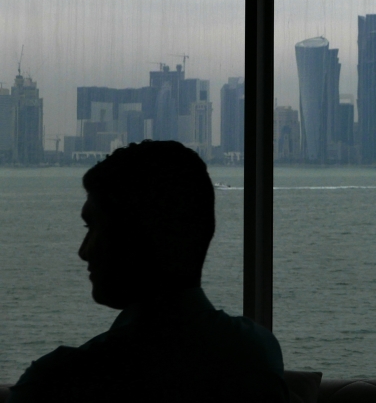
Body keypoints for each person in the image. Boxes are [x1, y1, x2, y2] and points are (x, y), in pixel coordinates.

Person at [9, 141, 289, 403]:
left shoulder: (59, 382)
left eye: (94, 228)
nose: (84, 251)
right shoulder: (257, 351)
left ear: (139, 238)